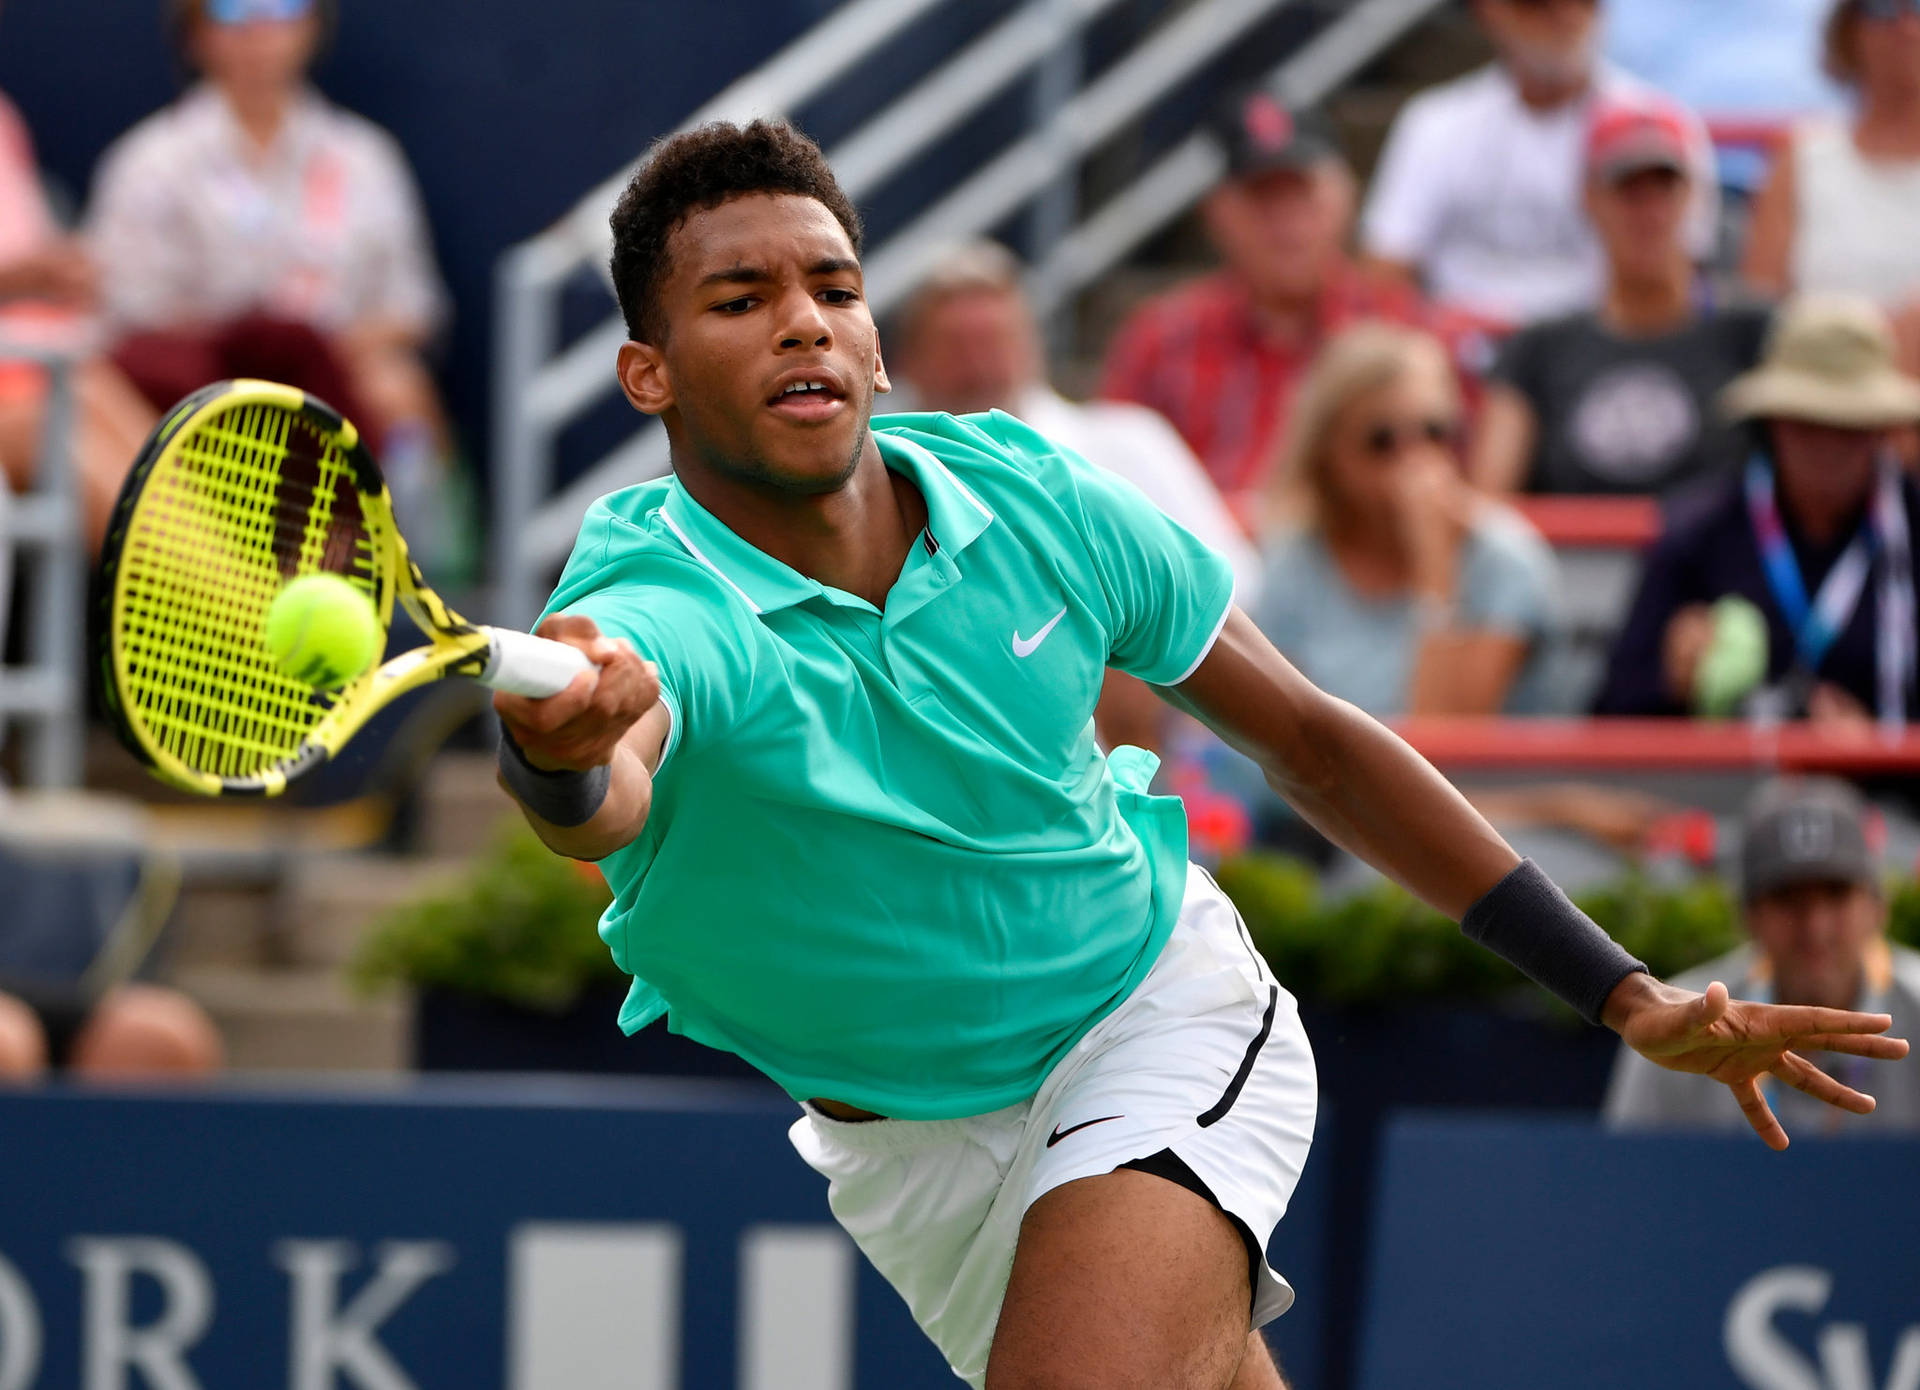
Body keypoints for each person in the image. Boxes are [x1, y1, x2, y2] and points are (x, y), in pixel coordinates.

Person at [494, 120, 1905, 1390]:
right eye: (742, 301)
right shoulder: (653, 607)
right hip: (910, 1154)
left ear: (875, 341)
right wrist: (561, 754)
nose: (803, 322)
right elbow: (609, 785)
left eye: (834, 289)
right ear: (648, 372)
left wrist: (1621, 988)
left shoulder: (1039, 500)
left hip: (1145, 1017)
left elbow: (1315, 742)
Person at [86, 0, 455, 555]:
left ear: (312, 26)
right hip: (205, 388)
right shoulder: (147, 160)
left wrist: (321, 358)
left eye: (282, 7)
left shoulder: (366, 157)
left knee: (400, 389)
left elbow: (412, 306)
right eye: (231, 10)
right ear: (195, 33)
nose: (259, 29)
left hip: (340, 370)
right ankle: (216, 581)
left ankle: (402, 572)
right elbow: (128, 314)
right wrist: (258, 360)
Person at [1100, 89, 1482, 520]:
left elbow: (1463, 492)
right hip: (1205, 573)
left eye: (1303, 195)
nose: (1286, 223)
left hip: (1369, 570)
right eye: (1262, 200)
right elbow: (1111, 495)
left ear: (1345, 200)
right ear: (1216, 213)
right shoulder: (1159, 339)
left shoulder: (1411, 334)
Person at [1595, 294, 1920, 723]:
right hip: (1717, 789)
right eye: (1807, 422)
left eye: (1850, 428)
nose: (1827, 448)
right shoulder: (1695, 529)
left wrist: (1876, 751)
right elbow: (1611, 713)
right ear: (1772, 423)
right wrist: (1670, 677)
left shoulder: (1912, 524)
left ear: (1882, 432)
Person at [894, 240, 1261, 602]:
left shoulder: (1129, 445)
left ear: (1031, 346)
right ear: (911, 359)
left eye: (992, 342)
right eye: (955, 345)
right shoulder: (882, 469)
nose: (977, 365)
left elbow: (1233, 585)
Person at [1256, 323, 1562, 717]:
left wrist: (1435, 572)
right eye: (1381, 441)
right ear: (1328, 456)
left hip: (1488, 783)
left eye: (1434, 432)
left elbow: (1443, 746)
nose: (1415, 460)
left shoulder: (1506, 560)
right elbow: (1282, 741)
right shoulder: (1295, 564)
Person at [1474, 93, 1773, 496]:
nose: (1649, 211)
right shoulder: (1537, 348)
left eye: (1664, 186)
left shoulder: (1755, 333)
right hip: (1573, 559)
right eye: (1627, 188)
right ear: (1589, 198)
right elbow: (1488, 507)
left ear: (1691, 195)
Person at [1361, 0, 1718, 327]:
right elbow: (1386, 270)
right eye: (1538, 3)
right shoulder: (1434, 123)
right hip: (1460, 356)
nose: (1566, 14)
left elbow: (1684, 270)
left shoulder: (1659, 125)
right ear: (1490, 11)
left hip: (1601, 345)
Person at [1607, 777, 1920, 1132]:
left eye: (1836, 894)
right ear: (1748, 916)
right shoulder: (1683, 1027)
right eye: (1788, 898)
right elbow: (1628, 1179)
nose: (1815, 927)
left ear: (1878, 906)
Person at [0, 84, 157, 555]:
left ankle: (251, 599)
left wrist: (60, 274)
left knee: (92, 391)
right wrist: (15, 282)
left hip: (34, 368)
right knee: (43, 422)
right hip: (17, 398)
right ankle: (245, 616)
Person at [1743, 0, 1920, 372]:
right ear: (1848, 30)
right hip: (1823, 403)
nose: (1906, 25)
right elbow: (1758, 310)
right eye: (1883, 8)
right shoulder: (1800, 157)